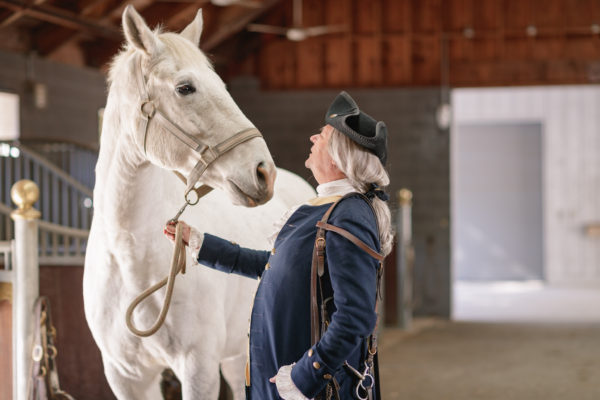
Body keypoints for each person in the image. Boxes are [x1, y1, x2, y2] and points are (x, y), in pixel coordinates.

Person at [164, 91, 393, 400]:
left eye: (323, 136)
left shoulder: (349, 214)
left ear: (340, 157)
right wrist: (201, 244)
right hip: (283, 379)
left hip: (308, 388)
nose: (313, 137)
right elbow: (274, 267)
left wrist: (306, 375)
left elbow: (356, 316)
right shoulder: (325, 208)